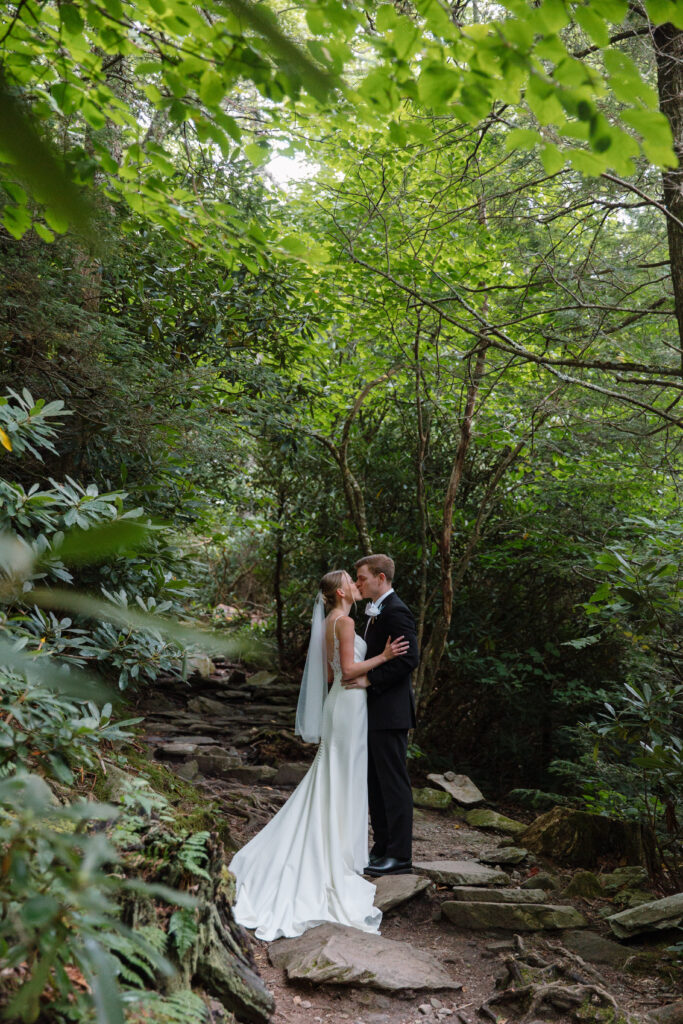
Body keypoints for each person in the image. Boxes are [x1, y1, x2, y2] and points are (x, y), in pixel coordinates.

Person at [228, 569, 409, 941]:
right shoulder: (342, 623)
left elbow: (330, 677)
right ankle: (334, 854)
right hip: (349, 706)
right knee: (342, 777)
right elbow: (345, 671)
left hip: (342, 705)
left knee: (335, 777)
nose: (357, 585)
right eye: (352, 580)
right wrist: (385, 656)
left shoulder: (332, 621)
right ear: (341, 591)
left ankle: (337, 847)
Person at [343, 554, 419, 877]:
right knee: (375, 783)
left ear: (381, 579)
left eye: (362, 578)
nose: (358, 583)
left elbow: (408, 659)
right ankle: (382, 847)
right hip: (373, 711)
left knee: (393, 784)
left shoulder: (397, 611)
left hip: (390, 712)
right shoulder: (376, 612)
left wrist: (370, 680)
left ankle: (400, 855)